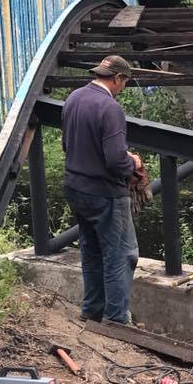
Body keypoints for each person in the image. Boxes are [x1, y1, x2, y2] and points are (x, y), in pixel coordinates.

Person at [61, 55, 142, 325]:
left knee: (92, 251)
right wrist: (133, 163)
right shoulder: (110, 108)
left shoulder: (73, 98)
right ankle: (116, 319)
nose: (123, 88)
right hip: (104, 193)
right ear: (118, 78)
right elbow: (116, 161)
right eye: (124, 82)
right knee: (121, 254)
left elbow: (67, 145)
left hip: (76, 188)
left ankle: (92, 311)